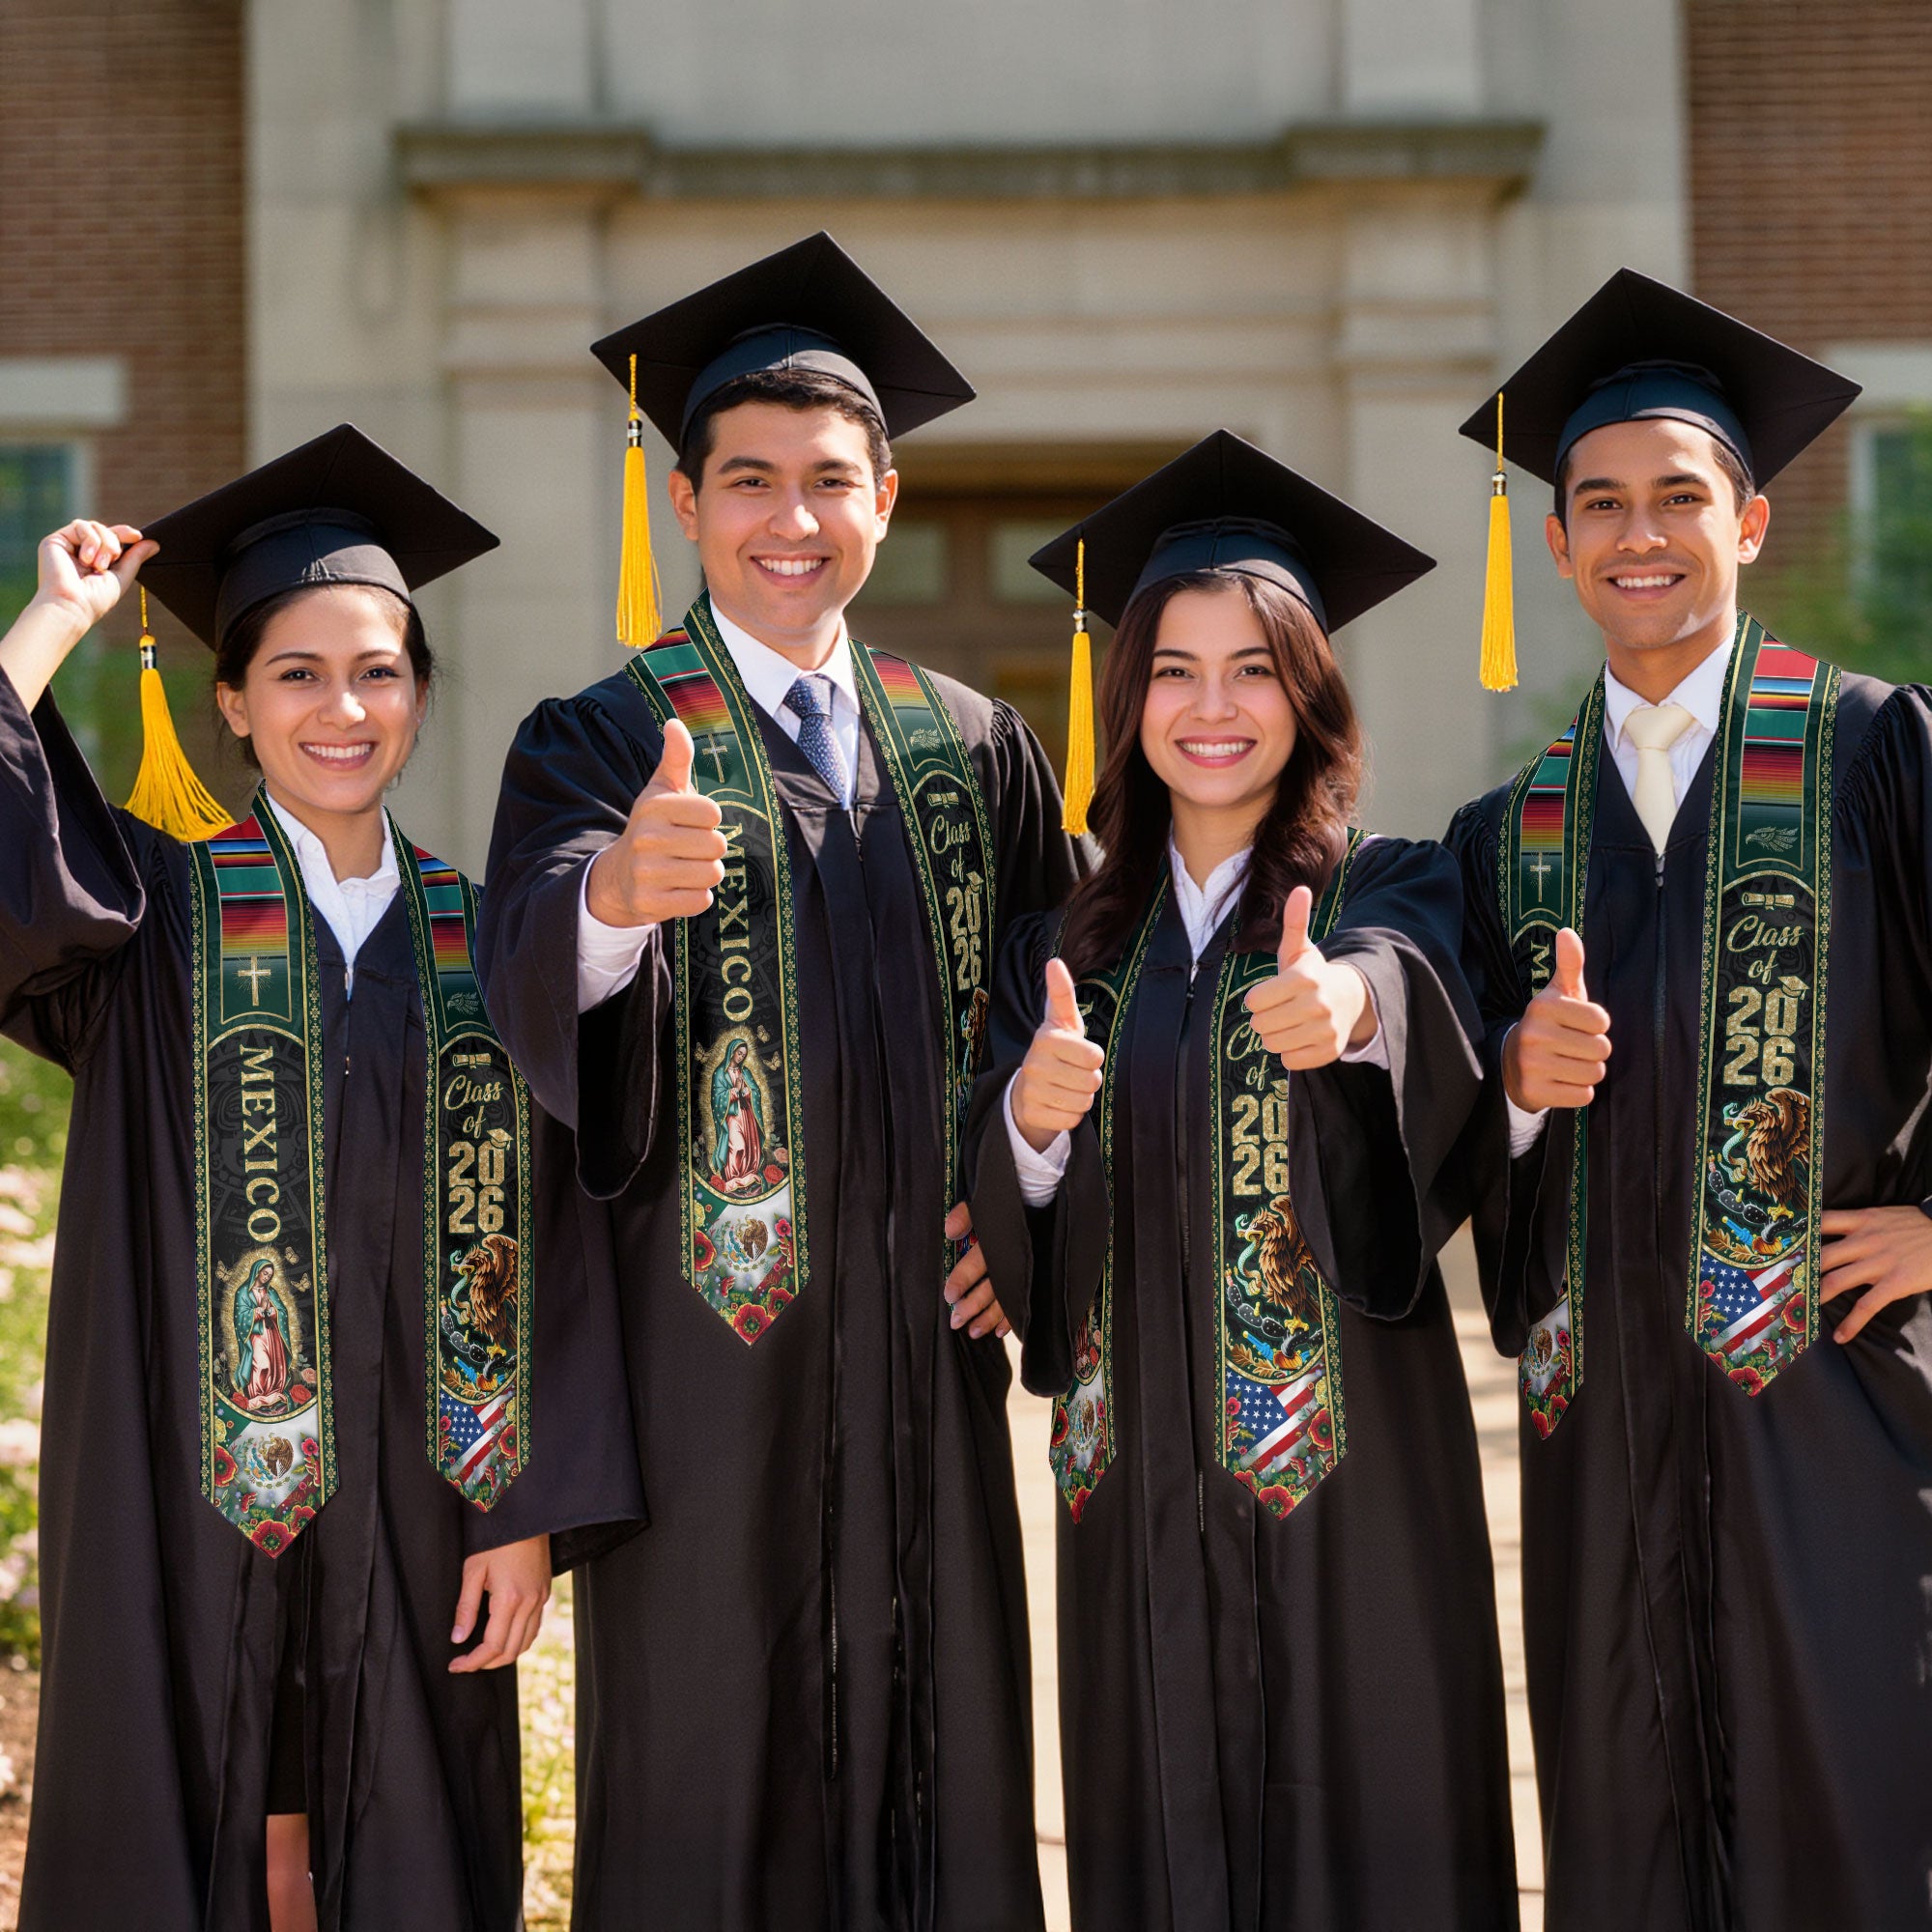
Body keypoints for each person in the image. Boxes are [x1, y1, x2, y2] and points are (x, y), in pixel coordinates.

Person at [478, 233, 1085, 1930]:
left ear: (886, 496)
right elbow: (525, 969)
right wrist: (609, 901)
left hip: (925, 1367)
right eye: (749, 481)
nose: (791, 519)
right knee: (708, 1783)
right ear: (686, 503)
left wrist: (1026, 1207)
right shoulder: (599, 737)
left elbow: (1077, 1010)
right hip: (706, 1379)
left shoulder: (971, 744)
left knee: (944, 1763)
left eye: (831, 481)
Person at [0, 425, 641, 1932]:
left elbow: (561, 1242)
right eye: (295, 673)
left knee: (406, 1834)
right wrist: (51, 624)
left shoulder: (492, 942)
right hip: (181, 1486)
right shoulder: (148, 917)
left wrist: (526, 1508)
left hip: (429, 1498)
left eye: (378, 671)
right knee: (191, 1808)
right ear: (231, 701)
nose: (341, 708)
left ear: (419, 694)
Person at [966, 432, 1518, 1931]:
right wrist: (1026, 1117)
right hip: (1135, 1484)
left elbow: (1414, 993)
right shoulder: (1062, 948)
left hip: (1356, 1493)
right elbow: (1011, 1210)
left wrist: (1349, 1014)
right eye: (1175, 670)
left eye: (1256, 669)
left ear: (1311, 693)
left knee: (1376, 1836)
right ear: (1127, 696)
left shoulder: (1389, 885)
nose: (1214, 709)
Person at [1446, 270, 1932, 1930]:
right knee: (1625, 1831)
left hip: (1840, 1415)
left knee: (1857, 1814)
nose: (1637, 534)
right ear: (1562, 543)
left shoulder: (1872, 752)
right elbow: (1447, 1144)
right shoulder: (1510, 833)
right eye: (1599, 504)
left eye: (1678, 497)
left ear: (1751, 520)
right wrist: (1511, 1089)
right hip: (1605, 1443)